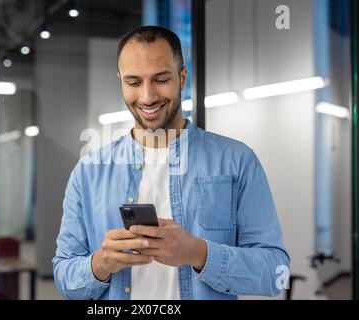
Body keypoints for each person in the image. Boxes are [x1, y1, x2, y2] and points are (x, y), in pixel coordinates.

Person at [53, 26, 290, 300]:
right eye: (133, 82)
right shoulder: (88, 172)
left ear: (182, 77)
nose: (147, 96)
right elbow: (64, 277)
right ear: (120, 81)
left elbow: (276, 272)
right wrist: (100, 264)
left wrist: (198, 253)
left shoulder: (237, 161)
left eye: (161, 79)